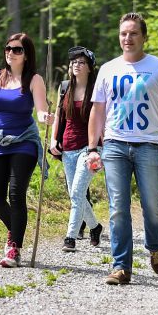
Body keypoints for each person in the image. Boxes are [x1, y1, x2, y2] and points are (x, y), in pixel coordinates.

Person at [86, 12, 158, 285]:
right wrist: (93, 147)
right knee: (118, 207)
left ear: (144, 37)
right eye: (123, 33)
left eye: (133, 33)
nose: (128, 38)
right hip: (114, 145)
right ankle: (121, 266)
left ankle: (155, 246)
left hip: (148, 146)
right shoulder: (108, 69)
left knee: (153, 206)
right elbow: (98, 110)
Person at [0, 32, 54, 268]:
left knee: (16, 194)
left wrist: (45, 117)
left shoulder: (34, 79)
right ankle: (15, 229)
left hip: (24, 142)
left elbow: (40, 110)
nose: (10, 53)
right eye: (8, 48)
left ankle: (14, 247)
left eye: (17, 49)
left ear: (26, 55)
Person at [49, 46, 103, 252]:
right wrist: (54, 140)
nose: (76, 66)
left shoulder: (97, 89)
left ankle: (70, 237)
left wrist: (104, 148)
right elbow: (59, 116)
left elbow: (103, 119)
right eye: (73, 63)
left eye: (81, 62)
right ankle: (95, 227)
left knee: (78, 192)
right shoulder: (64, 87)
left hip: (90, 148)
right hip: (68, 147)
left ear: (90, 67)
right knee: (75, 193)